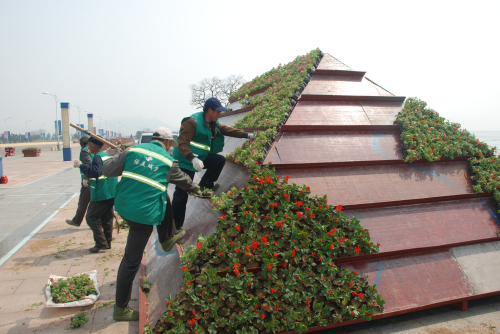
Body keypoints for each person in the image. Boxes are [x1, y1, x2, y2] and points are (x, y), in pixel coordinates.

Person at [101, 127, 200, 321]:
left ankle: (167, 237)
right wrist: (196, 188)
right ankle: (120, 308)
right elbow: (185, 182)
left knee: (163, 194)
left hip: (124, 206)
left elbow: (107, 170)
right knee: (131, 261)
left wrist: (119, 156)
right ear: (167, 143)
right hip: (142, 215)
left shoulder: (134, 151)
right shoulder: (167, 161)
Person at [172, 97, 256, 230]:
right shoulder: (191, 122)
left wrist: (247, 135)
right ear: (210, 110)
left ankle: (205, 187)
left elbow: (228, 130)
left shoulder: (212, 123)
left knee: (218, 160)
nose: (220, 114)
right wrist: (192, 159)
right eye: (218, 111)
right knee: (181, 193)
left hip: (201, 156)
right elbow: (182, 144)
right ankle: (175, 226)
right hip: (184, 160)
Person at [74, 136, 118, 253]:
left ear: (93, 145)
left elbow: (95, 173)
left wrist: (81, 166)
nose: (88, 148)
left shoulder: (98, 157)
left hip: (102, 192)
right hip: (111, 192)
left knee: (91, 217)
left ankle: (101, 243)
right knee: (107, 218)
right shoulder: (106, 156)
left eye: (89, 145)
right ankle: (107, 243)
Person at [67, 136, 93, 227]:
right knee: (94, 202)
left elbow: (88, 164)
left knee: (83, 202)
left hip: (88, 180)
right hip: (96, 180)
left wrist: (86, 178)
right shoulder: (93, 149)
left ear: (81, 144)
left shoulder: (84, 151)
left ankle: (77, 221)